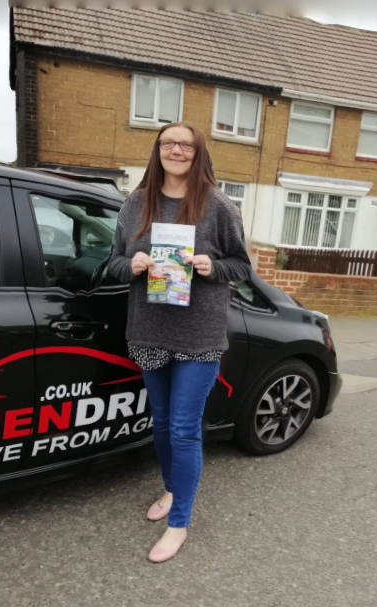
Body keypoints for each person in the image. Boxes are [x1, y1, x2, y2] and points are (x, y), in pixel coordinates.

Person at [107, 121, 251, 563]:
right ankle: (171, 490)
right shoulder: (135, 204)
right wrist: (132, 265)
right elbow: (113, 262)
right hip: (149, 330)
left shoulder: (219, 206)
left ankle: (179, 523)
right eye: (168, 142)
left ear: (198, 152)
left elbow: (241, 266)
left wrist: (211, 266)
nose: (176, 150)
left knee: (185, 430)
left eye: (186, 145)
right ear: (157, 149)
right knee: (163, 422)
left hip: (198, 337)